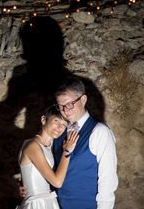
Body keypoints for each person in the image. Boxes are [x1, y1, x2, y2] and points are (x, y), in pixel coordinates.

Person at [52, 76, 118, 209]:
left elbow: (107, 181)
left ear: (83, 99)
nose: (65, 111)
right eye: (60, 106)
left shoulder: (99, 132)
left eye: (69, 104)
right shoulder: (58, 132)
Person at [17, 105, 80, 209]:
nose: (60, 127)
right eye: (56, 121)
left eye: (64, 124)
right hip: (37, 204)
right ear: (43, 120)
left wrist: (21, 182)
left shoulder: (48, 146)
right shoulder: (33, 146)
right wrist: (67, 151)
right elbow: (57, 182)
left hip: (47, 201)